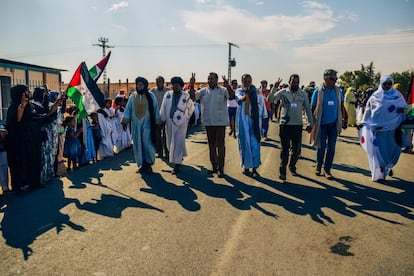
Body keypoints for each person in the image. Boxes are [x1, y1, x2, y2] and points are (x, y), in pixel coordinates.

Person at [359, 75, 407, 182]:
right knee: (378, 154)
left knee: (392, 152)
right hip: (378, 131)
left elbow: (405, 109)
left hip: (393, 131)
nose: (387, 86)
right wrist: (363, 122)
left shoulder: (397, 96)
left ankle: (387, 167)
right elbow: (368, 111)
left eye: (389, 83)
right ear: (381, 84)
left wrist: (401, 111)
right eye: (384, 83)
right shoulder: (375, 97)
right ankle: (379, 174)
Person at [189, 72, 235, 177]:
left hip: (220, 123)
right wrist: (192, 85)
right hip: (208, 122)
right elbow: (192, 98)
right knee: (211, 145)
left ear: (217, 80)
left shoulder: (223, 90)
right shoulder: (204, 91)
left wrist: (227, 86)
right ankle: (214, 167)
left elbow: (232, 97)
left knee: (220, 146)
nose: (210, 80)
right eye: (208, 78)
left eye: (212, 79)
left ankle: (221, 168)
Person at [271, 74, 313, 180]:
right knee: (284, 149)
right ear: (289, 82)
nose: (295, 84)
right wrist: (274, 88)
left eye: (297, 82)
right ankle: (283, 170)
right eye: (293, 82)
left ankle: (292, 165)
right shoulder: (283, 92)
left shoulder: (302, 94)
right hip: (285, 124)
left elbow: (308, 109)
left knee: (296, 150)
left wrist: (310, 123)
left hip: (297, 125)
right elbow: (271, 100)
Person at [310, 69, 348, 180]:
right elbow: (312, 108)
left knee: (331, 148)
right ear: (325, 79)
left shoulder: (338, 91)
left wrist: (345, 119)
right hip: (321, 124)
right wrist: (311, 123)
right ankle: (318, 165)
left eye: (336, 79)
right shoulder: (318, 92)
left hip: (333, 124)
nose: (335, 81)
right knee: (321, 147)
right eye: (332, 79)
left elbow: (341, 105)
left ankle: (327, 169)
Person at [121, 77, 161, 173]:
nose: (139, 86)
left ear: (145, 86)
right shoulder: (132, 96)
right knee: (138, 143)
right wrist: (125, 121)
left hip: (147, 124)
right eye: (137, 84)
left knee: (147, 143)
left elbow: (155, 109)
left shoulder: (151, 96)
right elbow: (128, 109)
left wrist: (158, 122)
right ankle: (142, 164)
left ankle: (149, 163)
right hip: (136, 125)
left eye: (141, 85)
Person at [159, 77, 194, 174]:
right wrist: (161, 120)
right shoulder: (168, 95)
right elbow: (163, 108)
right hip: (170, 122)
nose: (175, 87)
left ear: (181, 86)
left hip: (181, 123)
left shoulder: (185, 96)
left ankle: (177, 165)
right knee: (170, 142)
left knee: (178, 142)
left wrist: (186, 118)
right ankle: (177, 159)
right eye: (173, 85)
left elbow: (191, 108)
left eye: (177, 85)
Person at [235, 74, 267, 177]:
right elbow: (239, 99)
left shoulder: (257, 92)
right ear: (242, 81)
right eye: (245, 81)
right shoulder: (239, 91)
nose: (247, 83)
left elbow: (261, 105)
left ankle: (254, 168)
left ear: (251, 81)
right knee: (244, 143)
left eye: (249, 81)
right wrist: (247, 95)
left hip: (254, 120)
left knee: (255, 144)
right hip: (243, 121)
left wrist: (263, 118)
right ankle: (246, 167)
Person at [150, 76, 169, 158]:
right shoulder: (152, 91)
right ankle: (159, 152)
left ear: (163, 82)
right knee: (157, 136)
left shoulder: (168, 91)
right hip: (156, 116)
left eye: (160, 81)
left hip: (166, 116)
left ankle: (167, 152)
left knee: (166, 136)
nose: (158, 83)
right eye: (157, 81)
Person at [0, 122, 8, 194]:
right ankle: (5, 187)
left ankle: (5, 187)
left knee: (3, 167)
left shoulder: (2, 124)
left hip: (2, 148)